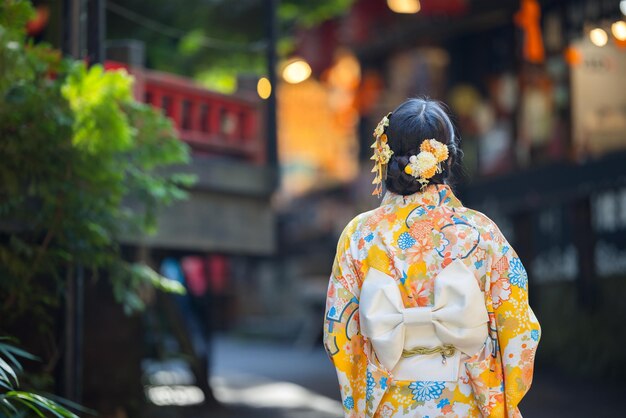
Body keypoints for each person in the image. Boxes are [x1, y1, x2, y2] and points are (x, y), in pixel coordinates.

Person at [323, 98, 540, 417]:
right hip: (465, 399)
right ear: (448, 158)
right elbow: (519, 331)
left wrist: (359, 399)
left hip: (390, 405)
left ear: (383, 155)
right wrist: (503, 400)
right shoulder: (480, 233)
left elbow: (339, 333)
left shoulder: (360, 234)